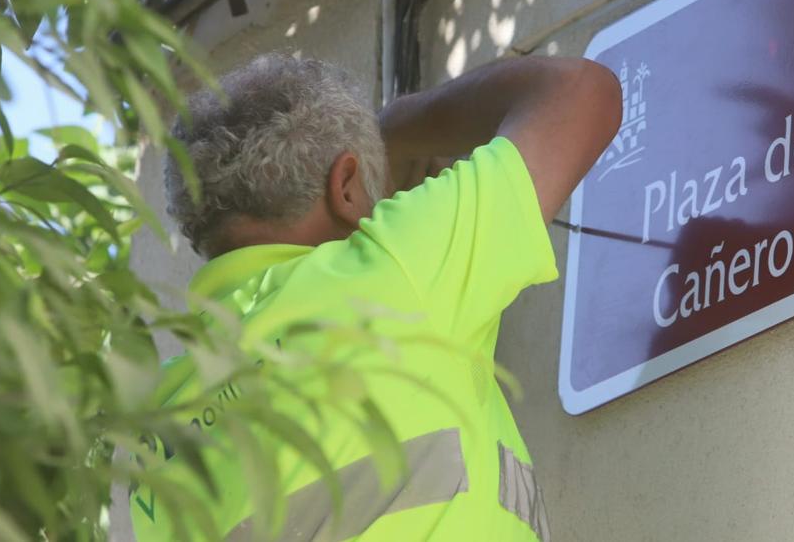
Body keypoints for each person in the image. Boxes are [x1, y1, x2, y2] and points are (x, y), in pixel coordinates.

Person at [132, 53, 620, 541]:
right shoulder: (389, 271)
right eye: (370, 185)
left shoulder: (156, 439)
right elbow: (581, 92)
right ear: (345, 187)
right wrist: (392, 129)